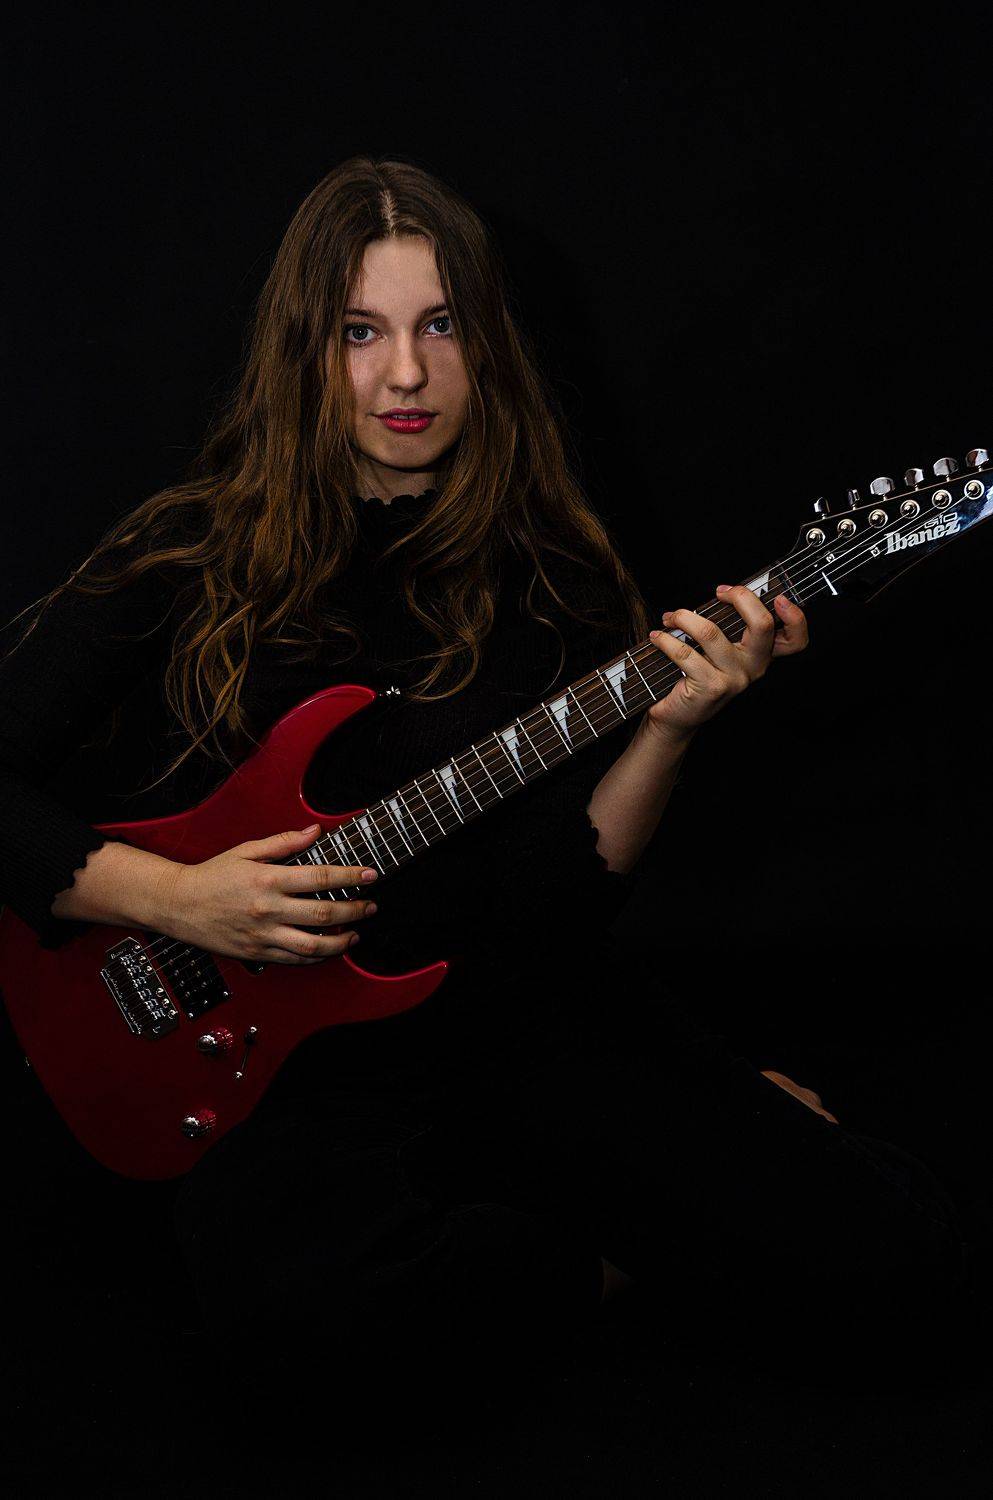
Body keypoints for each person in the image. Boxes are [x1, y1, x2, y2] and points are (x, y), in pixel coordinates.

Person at [0, 158, 987, 1423]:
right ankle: (607, 1259)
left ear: (489, 343)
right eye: (360, 332)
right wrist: (178, 900)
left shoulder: (555, 574)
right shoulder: (185, 551)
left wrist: (670, 731)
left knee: (900, 1274)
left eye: (441, 326)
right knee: (294, 1320)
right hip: (296, 1060)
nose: (406, 375)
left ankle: (625, 1190)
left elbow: (565, 899)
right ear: (302, 349)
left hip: (517, 1007)